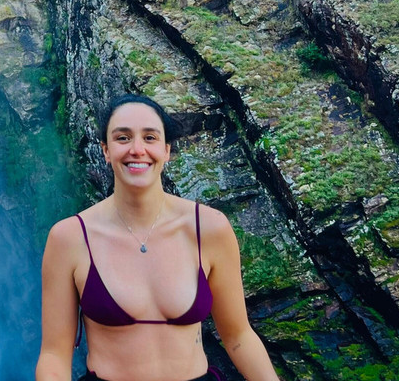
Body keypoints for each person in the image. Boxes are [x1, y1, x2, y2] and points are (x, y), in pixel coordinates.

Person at [35, 94, 281, 381]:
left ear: (166, 150)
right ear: (105, 150)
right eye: (123, 138)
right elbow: (54, 354)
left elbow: (239, 336)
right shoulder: (69, 238)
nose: (137, 149)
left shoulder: (209, 229)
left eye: (150, 138)